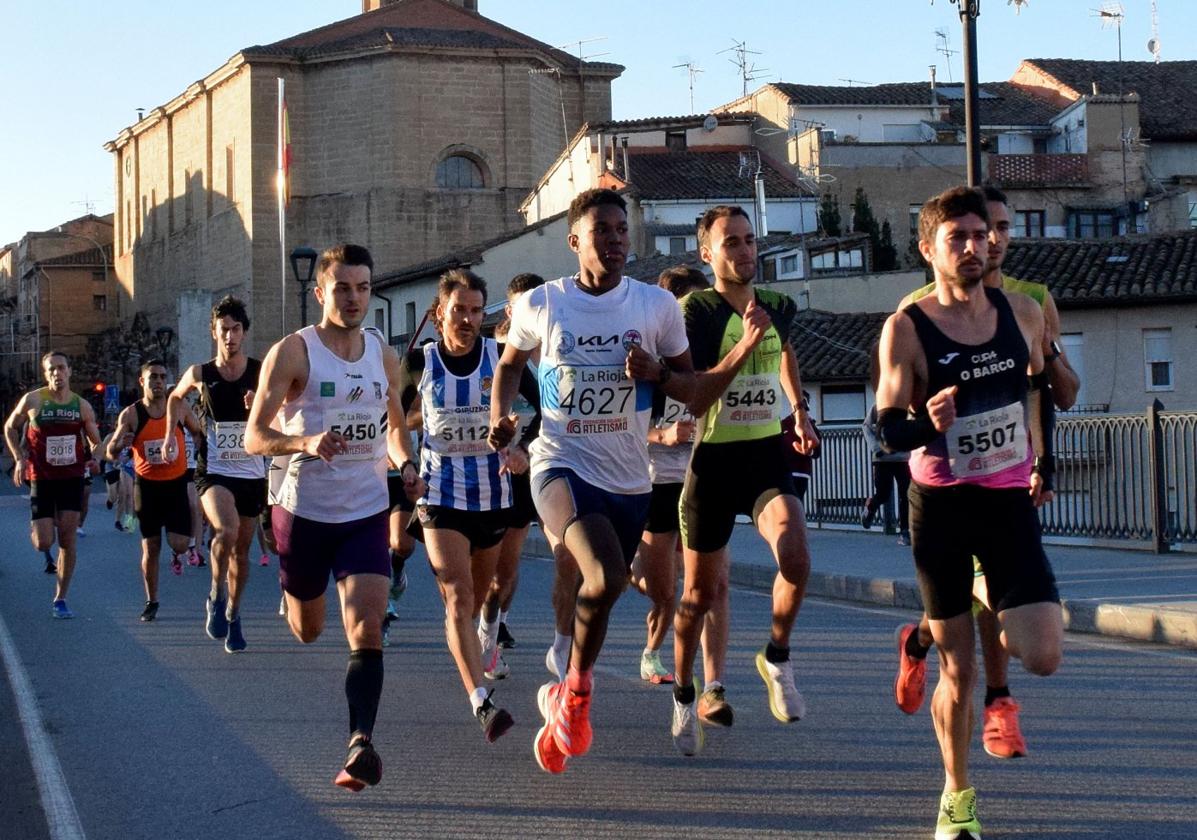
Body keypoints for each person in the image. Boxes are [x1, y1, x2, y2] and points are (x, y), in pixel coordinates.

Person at [876, 185, 1063, 839]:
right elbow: (885, 430)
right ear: (927, 249)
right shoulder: (907, 326)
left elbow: (1038, 387)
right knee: (959, 666)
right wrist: (921, 424)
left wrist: (1045, 458)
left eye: (980, 235)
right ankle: (956, 798)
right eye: (957, 238)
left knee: (1042, 653)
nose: (974, 247)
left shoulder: (1022, 312)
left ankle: (963, 605)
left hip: (1008, 500)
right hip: (942, 507)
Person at [488, 188, 694, 774]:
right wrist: (499, 417)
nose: (615, 240)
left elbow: (689, 383)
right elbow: (507, 365)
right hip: (559, 463)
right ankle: (577, 698)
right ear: (575, 240)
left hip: (630, 478)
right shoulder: (543, 303)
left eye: (622, 230)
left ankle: (565, 696)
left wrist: (657, 373)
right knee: (602, 575)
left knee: (602, 595)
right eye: (601, 230)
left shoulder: (657, 307)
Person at [246, 243, 423, 792]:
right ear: (321, 292)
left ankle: (360, 745)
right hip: (304, 513)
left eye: (363, 288)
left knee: (366, 628)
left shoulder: (382, 355)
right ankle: (291, 590)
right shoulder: (293, 353)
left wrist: (406, 463)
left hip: (365, 512)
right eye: (342, 288)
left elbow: (394, 425)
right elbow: (255, 436)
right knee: (308, 630)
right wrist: (305, 440)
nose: (354, 298)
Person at [669, 205, 819, 757]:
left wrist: (799, 411)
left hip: (763, 457)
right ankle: (685, 693)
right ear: (706, 252)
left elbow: (786, 354)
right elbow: (696, 391)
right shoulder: (696, 312)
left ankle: (776, 656)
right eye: (731, 242)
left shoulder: (777, 305)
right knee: (698, 596)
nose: (745, 251)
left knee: (797, 558)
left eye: (750, 240)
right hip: (712, 463)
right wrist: (743, 345)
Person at [401, 269, 540, 741]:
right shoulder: (419, 364)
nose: (467, 319)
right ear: (440, 313)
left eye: (476, 311)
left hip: (493, 494)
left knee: (480, 596)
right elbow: (391, 420)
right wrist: (404, 464)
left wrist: (523, 449)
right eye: (458, 310)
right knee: (458, 597)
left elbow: (545, 410)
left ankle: (486, 633)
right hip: (439, 495)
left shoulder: (499, 358)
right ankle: (481, 700)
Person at [166, 296, 265, 653]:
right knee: (226, 529)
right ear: (214, 332)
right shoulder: (200, 373)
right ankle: (215, 594)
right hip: (215, 469)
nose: (229, 336)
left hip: (252, 472)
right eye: (223, 330)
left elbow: (287, 407)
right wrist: (169, 437)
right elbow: (175, 399)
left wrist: (261, 406)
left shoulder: (260, 371)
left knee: (242, 552)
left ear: (243, 333)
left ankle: (235, 614)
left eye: (236, 329)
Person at [631, 266, 709, 687]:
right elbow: (623, 423)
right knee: (661, 589)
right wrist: (665, 433)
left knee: (694, 584)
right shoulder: (651, 362)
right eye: (691, 305)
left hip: (695, 480)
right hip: (655, 481)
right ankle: (630, 566)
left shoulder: (703, 358)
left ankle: (654, 655)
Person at [4, 351, 103, 618]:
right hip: (42, 478)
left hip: (71, 479)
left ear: (69, 371)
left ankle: (60, 598)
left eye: (61, 368)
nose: (56, 373)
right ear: (45, 373)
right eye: (51, 370)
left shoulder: (81, 405)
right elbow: (10, 427)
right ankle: (39, 527)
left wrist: (95, 459)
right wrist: (19, 457)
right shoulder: (34, 400)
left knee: (68, 540)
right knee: (43, 541)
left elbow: (96, 441)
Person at [478, 272, 546, 657]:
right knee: (479, 562)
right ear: (509, 310)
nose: (532, 313)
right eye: (524, 306)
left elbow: (549, 411)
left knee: (508, 561)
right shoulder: (497, 353)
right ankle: (477, 612)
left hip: (528, 468)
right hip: (480, 469)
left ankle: (496, 621)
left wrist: (526, 448)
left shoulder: (556, 352)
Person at [107, 360, 202, 621]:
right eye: (153, 377)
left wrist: (197, 443)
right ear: (142, 382)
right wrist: (119, 445)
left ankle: (178, 555)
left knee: (180, 544)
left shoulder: (179, 408)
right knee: (150, 547)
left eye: (162, 377)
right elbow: (110, 451)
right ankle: (151, 600)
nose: (158, 381)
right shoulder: (131, 414)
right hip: (147, 488)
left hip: (176, 485)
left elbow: (198, 432)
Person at [863, 346, 912, 545]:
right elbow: (866, 427)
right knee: (883, 493)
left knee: (905, 494)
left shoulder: (908, 406)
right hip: (882, 458)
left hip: (904, 458)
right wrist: (876, 448)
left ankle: (905, 531)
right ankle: (871, 506)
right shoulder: (878, 406)